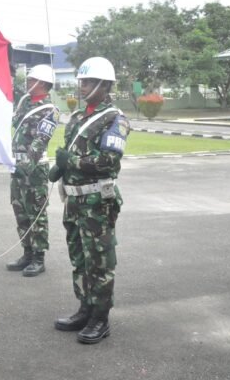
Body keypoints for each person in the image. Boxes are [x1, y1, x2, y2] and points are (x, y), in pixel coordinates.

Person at [50, 57, 131, 345]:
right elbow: (72, 151)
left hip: (98, 202)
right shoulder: (78, 117)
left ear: (104, 84)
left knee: (99, 261)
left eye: (86, 82)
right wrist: (60, 166)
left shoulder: (115, 119)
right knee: (79, 259)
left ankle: (100, 318)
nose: (81, 86)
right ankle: (84, 308)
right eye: (81, 81)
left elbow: (108, 160)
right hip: (73, 202)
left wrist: (69, 161)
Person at [6, 64, 59, 277]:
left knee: (36, 212)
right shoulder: (24, 103)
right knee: (19, 209)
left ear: (43, 83)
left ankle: (39, 257)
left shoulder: (50, 110)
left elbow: (40, 141)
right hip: (17, 166)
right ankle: (26, 252)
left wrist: (26, 167)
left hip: (34, 169)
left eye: (32, 80)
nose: (28, 82)